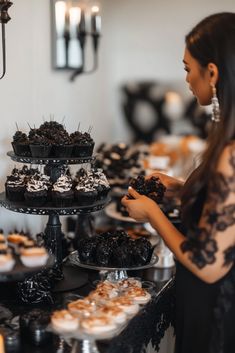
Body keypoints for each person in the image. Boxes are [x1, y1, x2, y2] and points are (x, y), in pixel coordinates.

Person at [122, 12, 235, 353]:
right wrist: (184, 188)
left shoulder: (229, 153)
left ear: (212, 72)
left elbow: (208, 264)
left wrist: (153, 214)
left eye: (188, 68)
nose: (185, 78)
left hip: (215, 307)